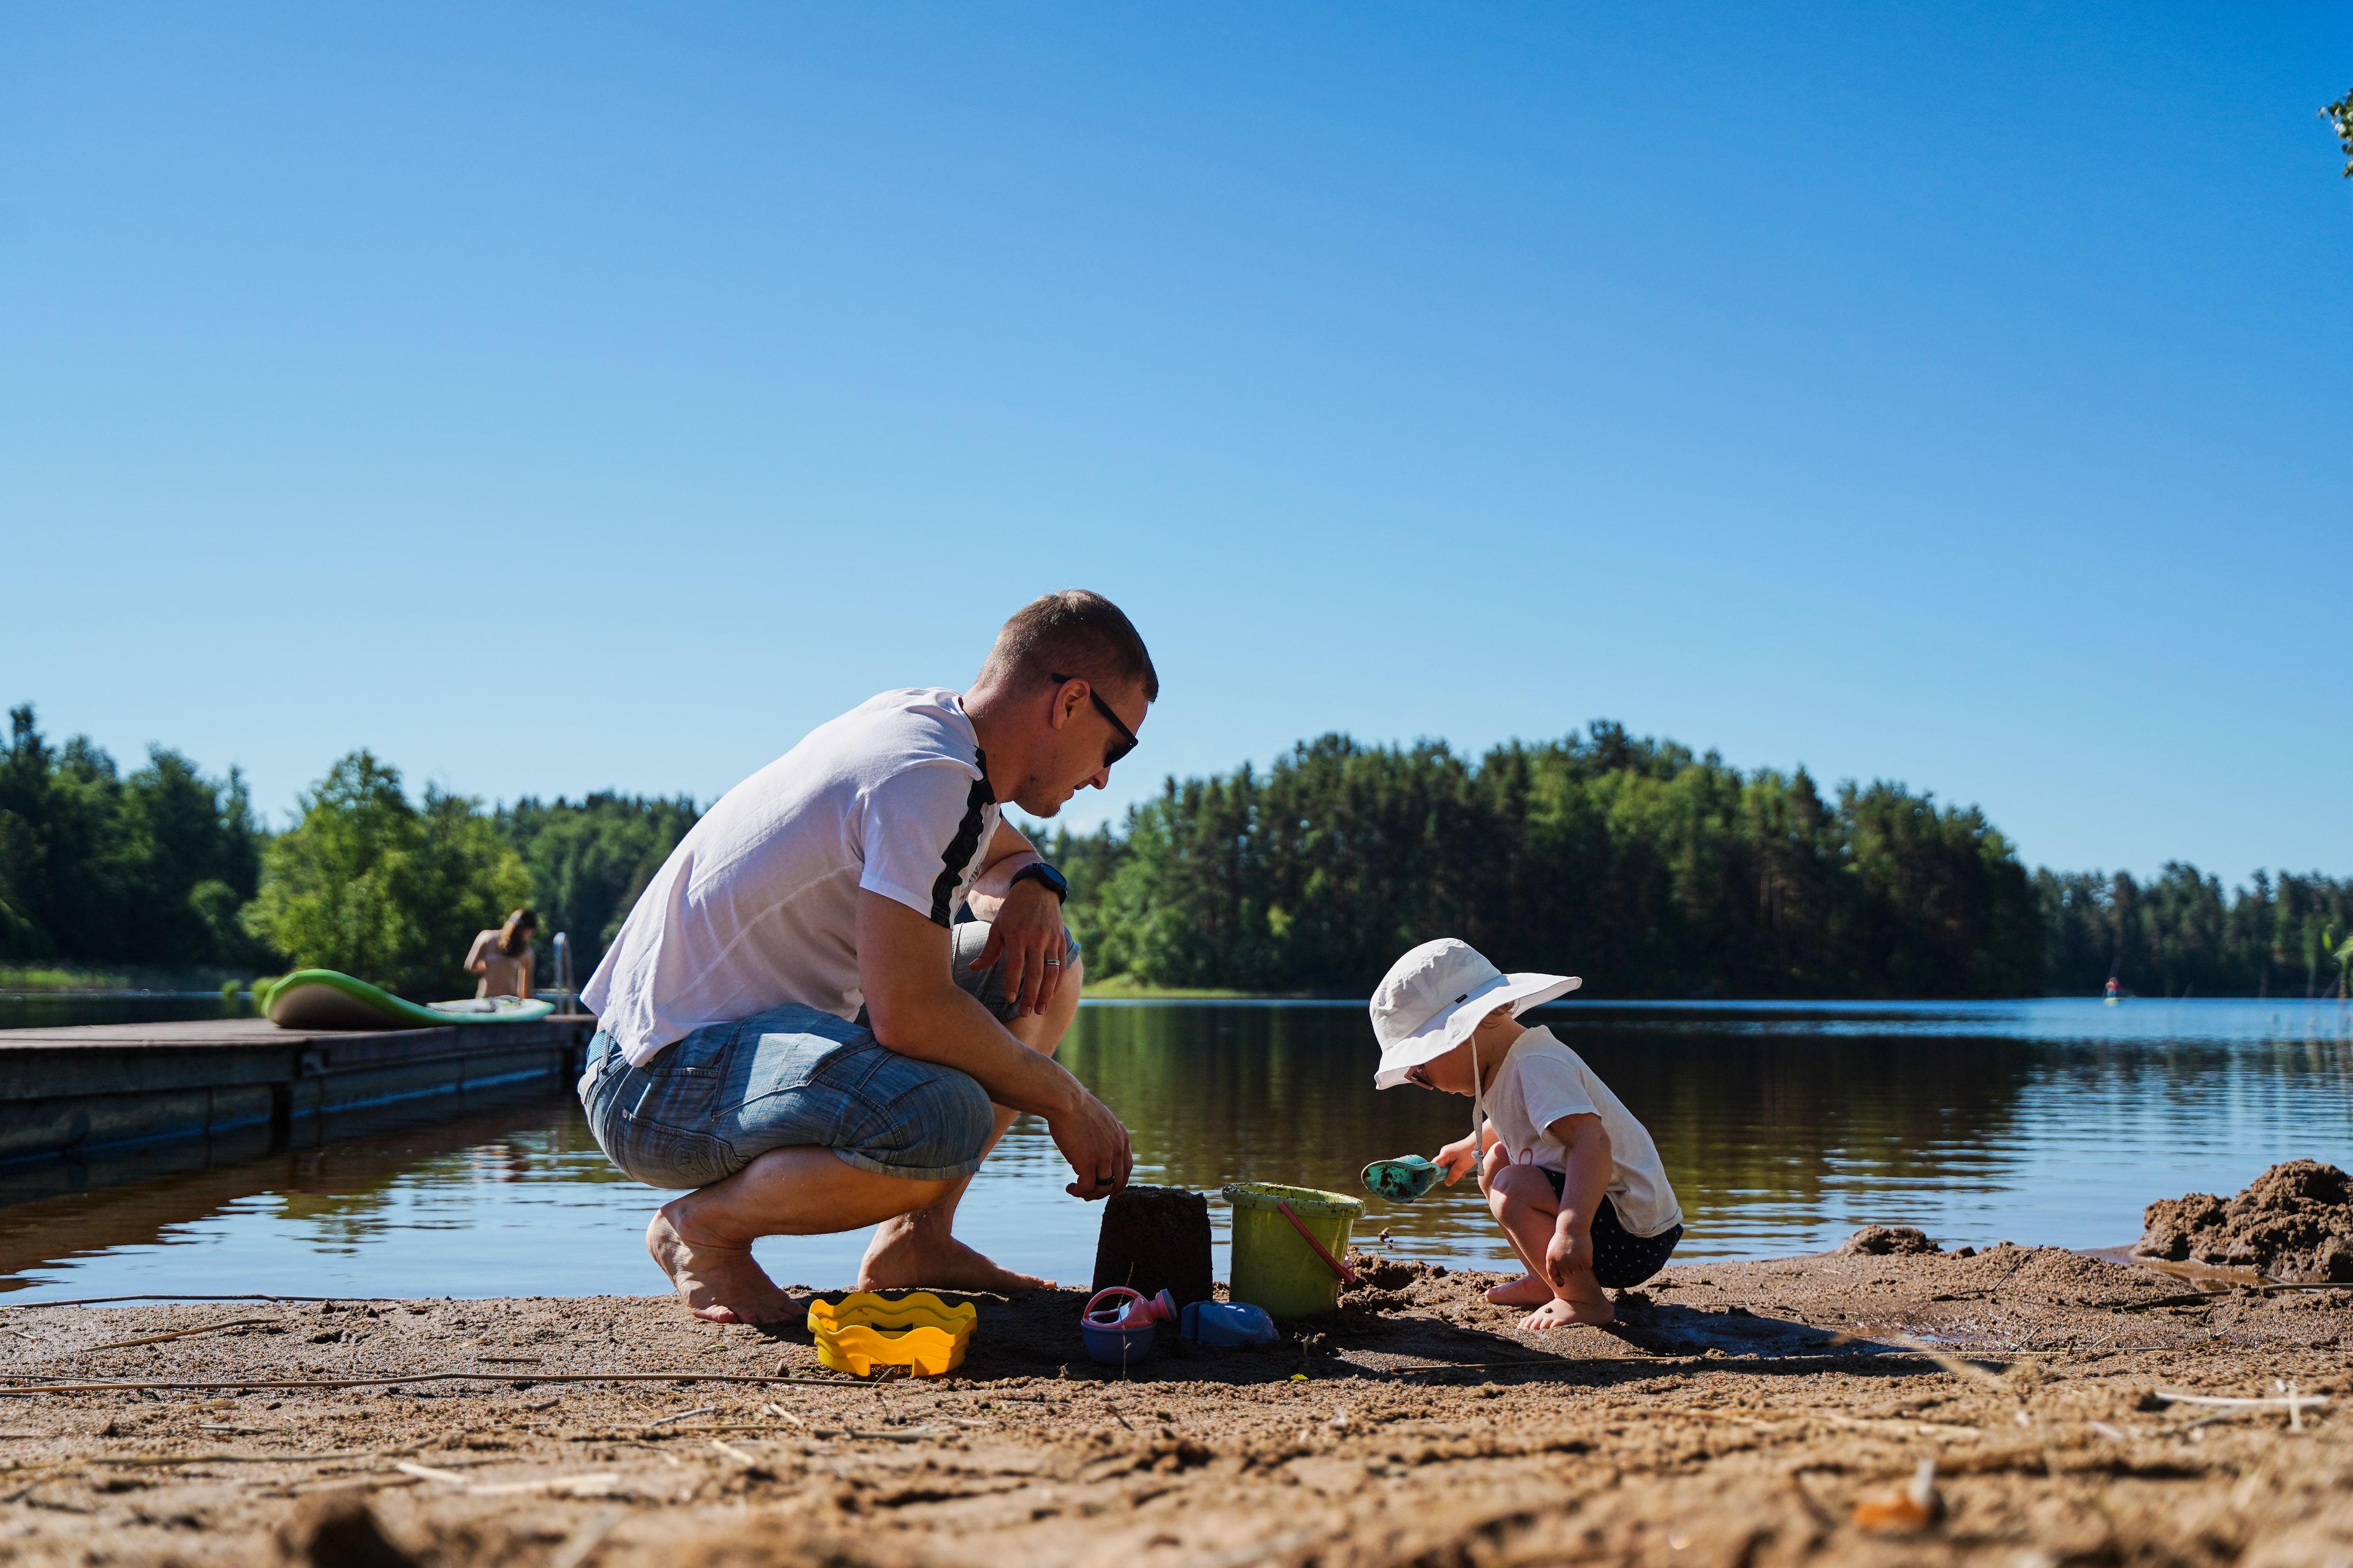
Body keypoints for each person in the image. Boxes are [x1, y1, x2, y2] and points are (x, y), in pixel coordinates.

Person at [577, 589, 1153, 1324]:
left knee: (1050, 961)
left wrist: (1038, 884)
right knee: (940, 1120)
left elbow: (998, 853)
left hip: (708, 1054)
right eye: (1116, 747)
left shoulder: (932, 732)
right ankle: (702, 1233)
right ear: (1070, 702)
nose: (1104, 777)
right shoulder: (929, 778)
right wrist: (1067, 1101)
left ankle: (916, 1240)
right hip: (654, 1082)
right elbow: (910, 1016)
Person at [1369, 937, 1683, 1331]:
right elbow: (1517, 1120)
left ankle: (1583, 1300)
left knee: (1511, 1186)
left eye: (1420, 1071)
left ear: (1460, 1032)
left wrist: (1571, 1231)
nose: (1425, 1083)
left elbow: (1592, 1141)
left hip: (1633, 1233)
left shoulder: (1535, 1064)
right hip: (1602, 1219)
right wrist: (1468, 1147)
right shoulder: (1510, 1064)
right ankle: (1547, 1279)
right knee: (1494, 1161)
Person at [465, 909, 538, 999]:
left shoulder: (487, 937)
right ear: (527, 930)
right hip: (496, 1000)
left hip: (497, 1000)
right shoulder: (487, 938)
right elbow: (471, 967)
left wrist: (491, 964)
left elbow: (471, 966)